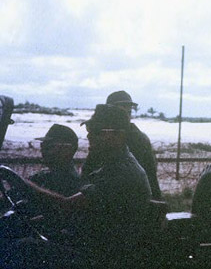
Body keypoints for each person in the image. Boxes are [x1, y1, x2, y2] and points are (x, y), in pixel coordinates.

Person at [0, 104, 152, 268]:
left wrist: (18, 181)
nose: (89, 135)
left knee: (20, 249)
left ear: (119, 135)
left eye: (96, 131)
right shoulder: (108, 164)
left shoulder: (121, 172)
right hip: (90, 243)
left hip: (103, 257)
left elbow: (66, 206)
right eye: (89, 128)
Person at [82, 90, 162, 200]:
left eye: (128, 113)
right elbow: (88, 168)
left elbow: (147, 176)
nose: (125, 117)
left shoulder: (136, 139)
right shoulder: (107, 135)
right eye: (121, 112)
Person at [29, 124, 81, 197]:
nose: (43, 150)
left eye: (49, 147)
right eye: (42, 145)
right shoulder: (42, 176)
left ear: (67, 149)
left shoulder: (70, 183)